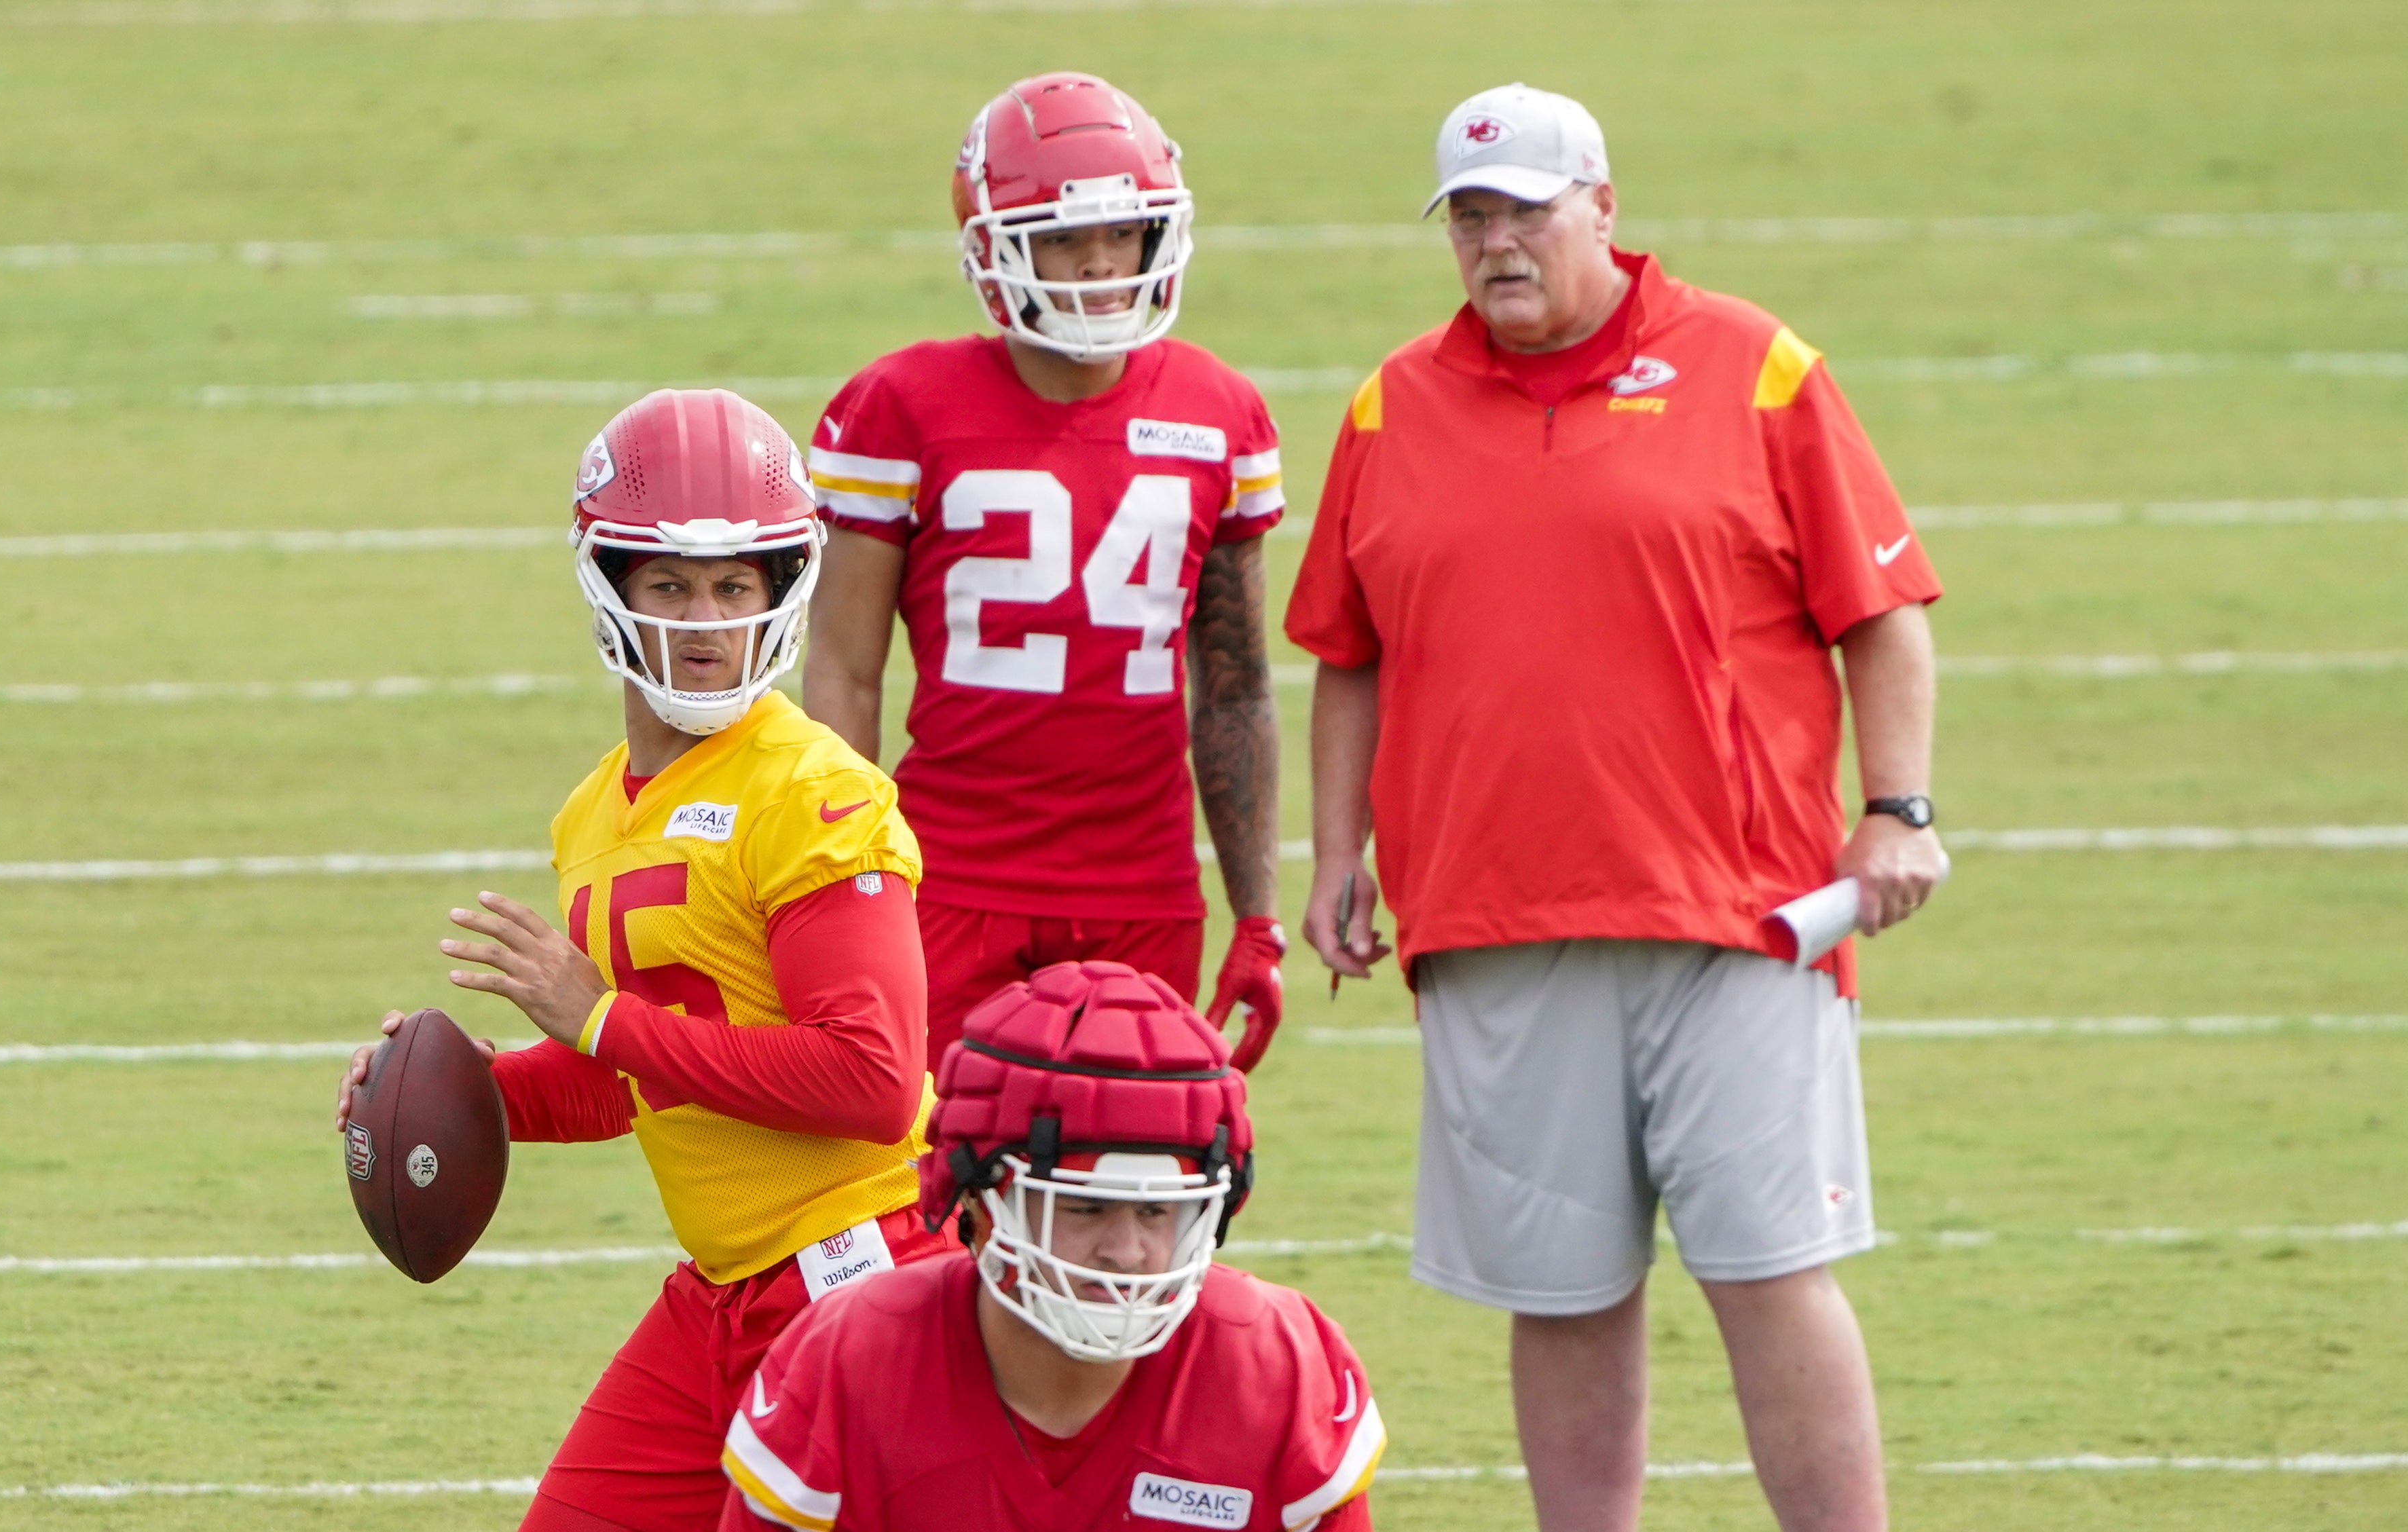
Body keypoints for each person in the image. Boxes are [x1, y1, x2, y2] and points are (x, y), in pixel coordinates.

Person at [1284, 83, 1946, 1532]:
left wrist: (1895, 807)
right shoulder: (1392, 403)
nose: (1497, 242)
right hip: (1490, 919)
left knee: (1770, 1270)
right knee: (1559, 1294)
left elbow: (1884, 612)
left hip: (1743, 920)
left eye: (1526, 207)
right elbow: (1348, 656)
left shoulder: (1758, 368)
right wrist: (1338, 854)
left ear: (1604, 207)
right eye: (1471, 216)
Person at [334, 388, 955, 1532]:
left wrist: (599, 1017)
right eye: (668, 584)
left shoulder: (813, 790)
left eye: (733, 586)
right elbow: (639, 1074)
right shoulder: (593, 811)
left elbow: (871, 1082)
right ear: (609, 587)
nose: (704, 620)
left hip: (859, 1277)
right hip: (721, 1293)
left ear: (779, 589)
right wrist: (465, 1088)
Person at [799, 71, 1288, 1075]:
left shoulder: (1217, 410)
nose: (1100, 263)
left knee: (1134, 1180)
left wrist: (1259, 916)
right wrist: (839, 882)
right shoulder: (902, 405)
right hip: (949, 874)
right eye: (1064, 237)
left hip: (1143, 889)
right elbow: (844, 672)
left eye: (1123, 233)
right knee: (933, 1181)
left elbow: (1235, 686)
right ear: (994, 247)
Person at [716, 960, 1386, 1532]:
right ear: (978, 1198)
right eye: (1085, 1206)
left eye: (1157, 1209)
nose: (1126, 1250)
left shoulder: (1276, 1365)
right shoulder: (854, 1359)